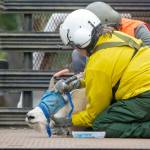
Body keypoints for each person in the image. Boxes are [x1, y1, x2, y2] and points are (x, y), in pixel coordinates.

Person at [56, 8, 150, 138]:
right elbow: (110, 70)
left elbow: (93, 115)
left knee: (101, 123)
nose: (76, 51)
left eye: (74, 46)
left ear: (81, 42)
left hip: (144, 95)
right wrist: (78, 82)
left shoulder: (97, 64)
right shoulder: (114, 36)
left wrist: (68, 120)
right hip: (144, 88)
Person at [71, 1, 150, 73]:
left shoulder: (137, 28)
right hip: (107, 67)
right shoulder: (91, 36)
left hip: (135, 69)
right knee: (78, 54)